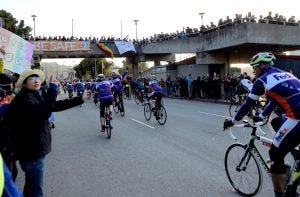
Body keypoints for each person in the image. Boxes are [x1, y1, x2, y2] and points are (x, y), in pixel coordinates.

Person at [223, 52, 300, 197]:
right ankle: (295, 154)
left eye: (254, 68)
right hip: (294, 114)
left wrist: (232, 121)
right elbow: (275, 99)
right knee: (277, 121)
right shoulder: (285, 74)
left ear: (261, 66)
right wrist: (261, 115)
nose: (253, 71)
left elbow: (247, 105)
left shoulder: (262, 80)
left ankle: (280, 194)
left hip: (297, 117)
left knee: (275, 153)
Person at [5, 69, 86, 197]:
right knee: (36, 190)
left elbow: (54, 105)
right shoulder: (23, 99)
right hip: (31, 152)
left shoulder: (34, 94)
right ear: (25, 84)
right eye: (32, 79)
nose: (36, 81)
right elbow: (44, 113)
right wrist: (52, 89)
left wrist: (79, 99)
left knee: (31, 187)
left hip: (34, 150)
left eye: (37, 78)